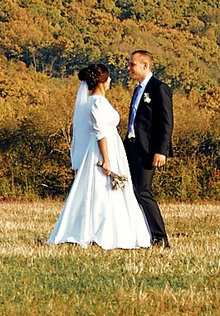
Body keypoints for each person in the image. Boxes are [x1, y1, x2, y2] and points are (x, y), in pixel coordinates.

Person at [46, 64, 152, 250]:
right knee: (103, 189)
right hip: (103, 149)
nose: (111, 81)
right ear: (102, 81)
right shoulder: (97, 103)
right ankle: (102, 231)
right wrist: (107, 159)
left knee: (106, 190)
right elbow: (100, 132)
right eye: (108, 78)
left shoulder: (97, 102)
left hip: (113, 147)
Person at [121, 50, 172, 248]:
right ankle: (139, 234)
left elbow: (166, 122)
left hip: (148, 150)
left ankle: (160, 237)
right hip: (132, 147)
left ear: (145, 66)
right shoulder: (137, 90)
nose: (128, 68)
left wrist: (161, 150)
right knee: (130, 191)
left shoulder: (159, 88)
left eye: (132, 64)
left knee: (143, 191)